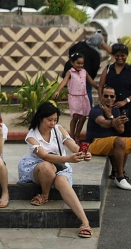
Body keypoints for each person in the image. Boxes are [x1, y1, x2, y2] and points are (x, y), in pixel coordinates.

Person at [16, 102, 93, 238]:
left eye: (55, 120)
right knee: (47, 165)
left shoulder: (59, 130)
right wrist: (69, 158)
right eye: (49, 120)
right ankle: (45, 194)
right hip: (39, 167)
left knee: (62, 181)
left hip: (60, 166)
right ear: (41, 118)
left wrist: (82, 153)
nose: (52, 123)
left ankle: (85, 222)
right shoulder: (32, 136)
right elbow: (45, 156)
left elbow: (73, 146)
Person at [98, 42, 131, 139]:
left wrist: (125, 101)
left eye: (122, 55)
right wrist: (103, 101)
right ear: (114, 56)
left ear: (127, 55)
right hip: (111, 105)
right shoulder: (108, 69)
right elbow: (101, 86)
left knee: (127, 132)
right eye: (117, 55)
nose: (120, 58)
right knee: (113, 131)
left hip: (128, 106)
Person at [58, 52, 97, 139]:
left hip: (84, 97)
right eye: (78, 63)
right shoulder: (70, 72)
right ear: (72, 63)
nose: (80, 65)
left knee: (83, 117)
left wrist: (99, 88)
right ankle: (71, 136)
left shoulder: (84, 72)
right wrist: (58, 90)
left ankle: (77, 136)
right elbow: (64, 81)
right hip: (74, 97)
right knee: (75, 117)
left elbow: (91, 81)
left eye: (82, 63)